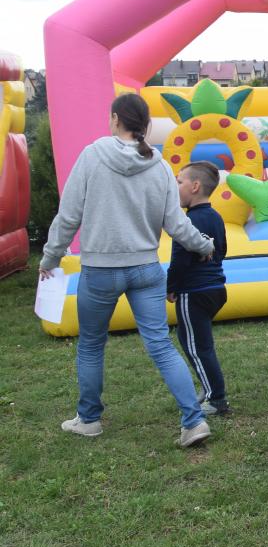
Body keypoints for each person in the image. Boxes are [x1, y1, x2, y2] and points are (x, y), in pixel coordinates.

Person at [41, 93, 216, 447]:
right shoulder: (160, 166)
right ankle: (193, 421)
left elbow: (69, 215)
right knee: (160, 346)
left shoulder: (92, 156)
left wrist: (50, 258)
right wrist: (204, 245)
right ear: (145, 124)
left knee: (91, 345)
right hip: (146, 270)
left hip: (99, 271)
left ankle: (89, 419)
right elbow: (176, 224)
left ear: (115, 119)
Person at [167, 161, 230, 416]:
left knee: (197, 347)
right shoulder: (215, 216)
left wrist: (171, 286)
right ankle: (208, 387)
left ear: (194, 186)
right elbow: (222, 250)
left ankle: (217, 399)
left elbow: (179, 258)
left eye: (179, 182)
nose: (176, 186)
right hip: (216, 289)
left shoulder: (188, 221)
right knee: (193, 341)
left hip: (193, 292)